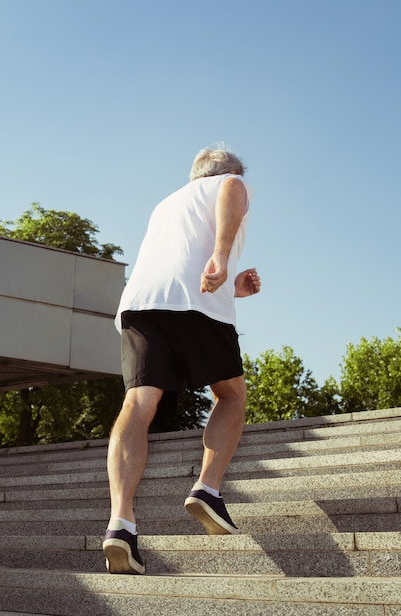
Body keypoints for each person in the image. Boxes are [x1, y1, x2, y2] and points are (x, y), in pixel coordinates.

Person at [102, 145, 261, 575]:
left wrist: (233, 289)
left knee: (138, 404)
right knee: (231, 395)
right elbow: (231, 189)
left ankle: (121, 524)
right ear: (225, 172)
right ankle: (208, 489)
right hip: (195, 301)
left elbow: (175, 263)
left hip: (139, 304)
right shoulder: (230, 182)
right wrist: (223, 257)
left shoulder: (166, 204)